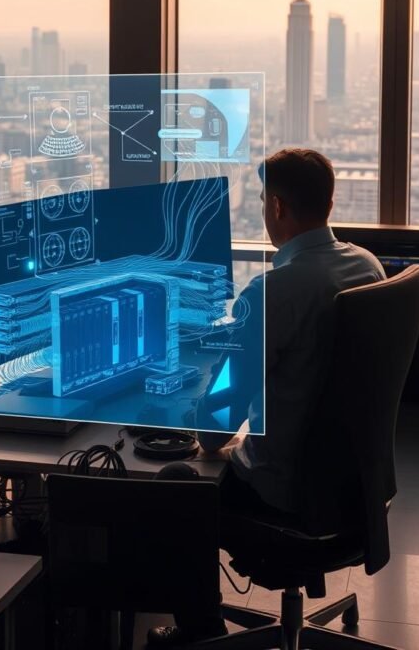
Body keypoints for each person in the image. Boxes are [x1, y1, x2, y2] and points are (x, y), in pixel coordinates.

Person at [148, 147, 385, 646]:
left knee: (173, 482)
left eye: (261, 201)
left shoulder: (273, 291)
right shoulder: (367, 268)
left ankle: (199, 632)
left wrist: (189, 398)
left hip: (284, 496)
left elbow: (212, 434)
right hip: (354, 491)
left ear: (277, 207)